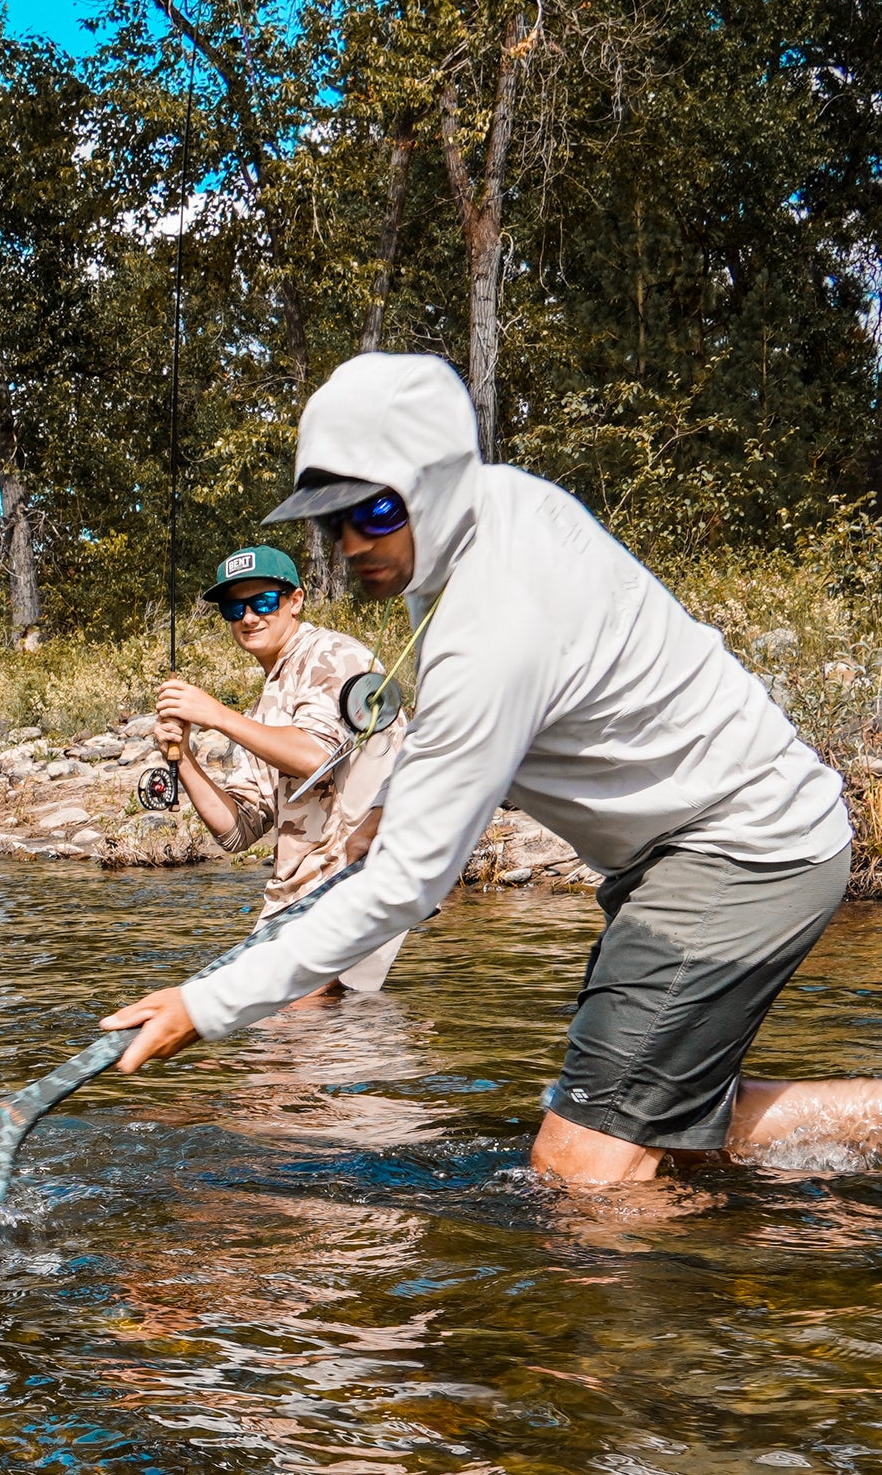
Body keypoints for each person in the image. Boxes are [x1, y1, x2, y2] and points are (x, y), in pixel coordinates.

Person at [102, 351, 882, 1186]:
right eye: (332, 520)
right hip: (684, 852)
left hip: (740, 850)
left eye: (373, 511)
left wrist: (207, 1005)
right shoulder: (474, 524)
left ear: (432, 485)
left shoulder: (493, 618)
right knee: (649, 1123)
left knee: (579, 1171)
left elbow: (408, 884)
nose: (354, 542)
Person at [153, 544, 407, 992]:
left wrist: (217, 715)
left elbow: (314, 755)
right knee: (283, 1036)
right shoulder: (264, 705)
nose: (249, 617)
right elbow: (238, 831)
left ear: (296, 601)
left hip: (356, 874)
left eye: (264, 602)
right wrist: (184, 757)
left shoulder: (332, 654)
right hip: (295, 892)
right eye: (235, 608)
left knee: (289, 1022)